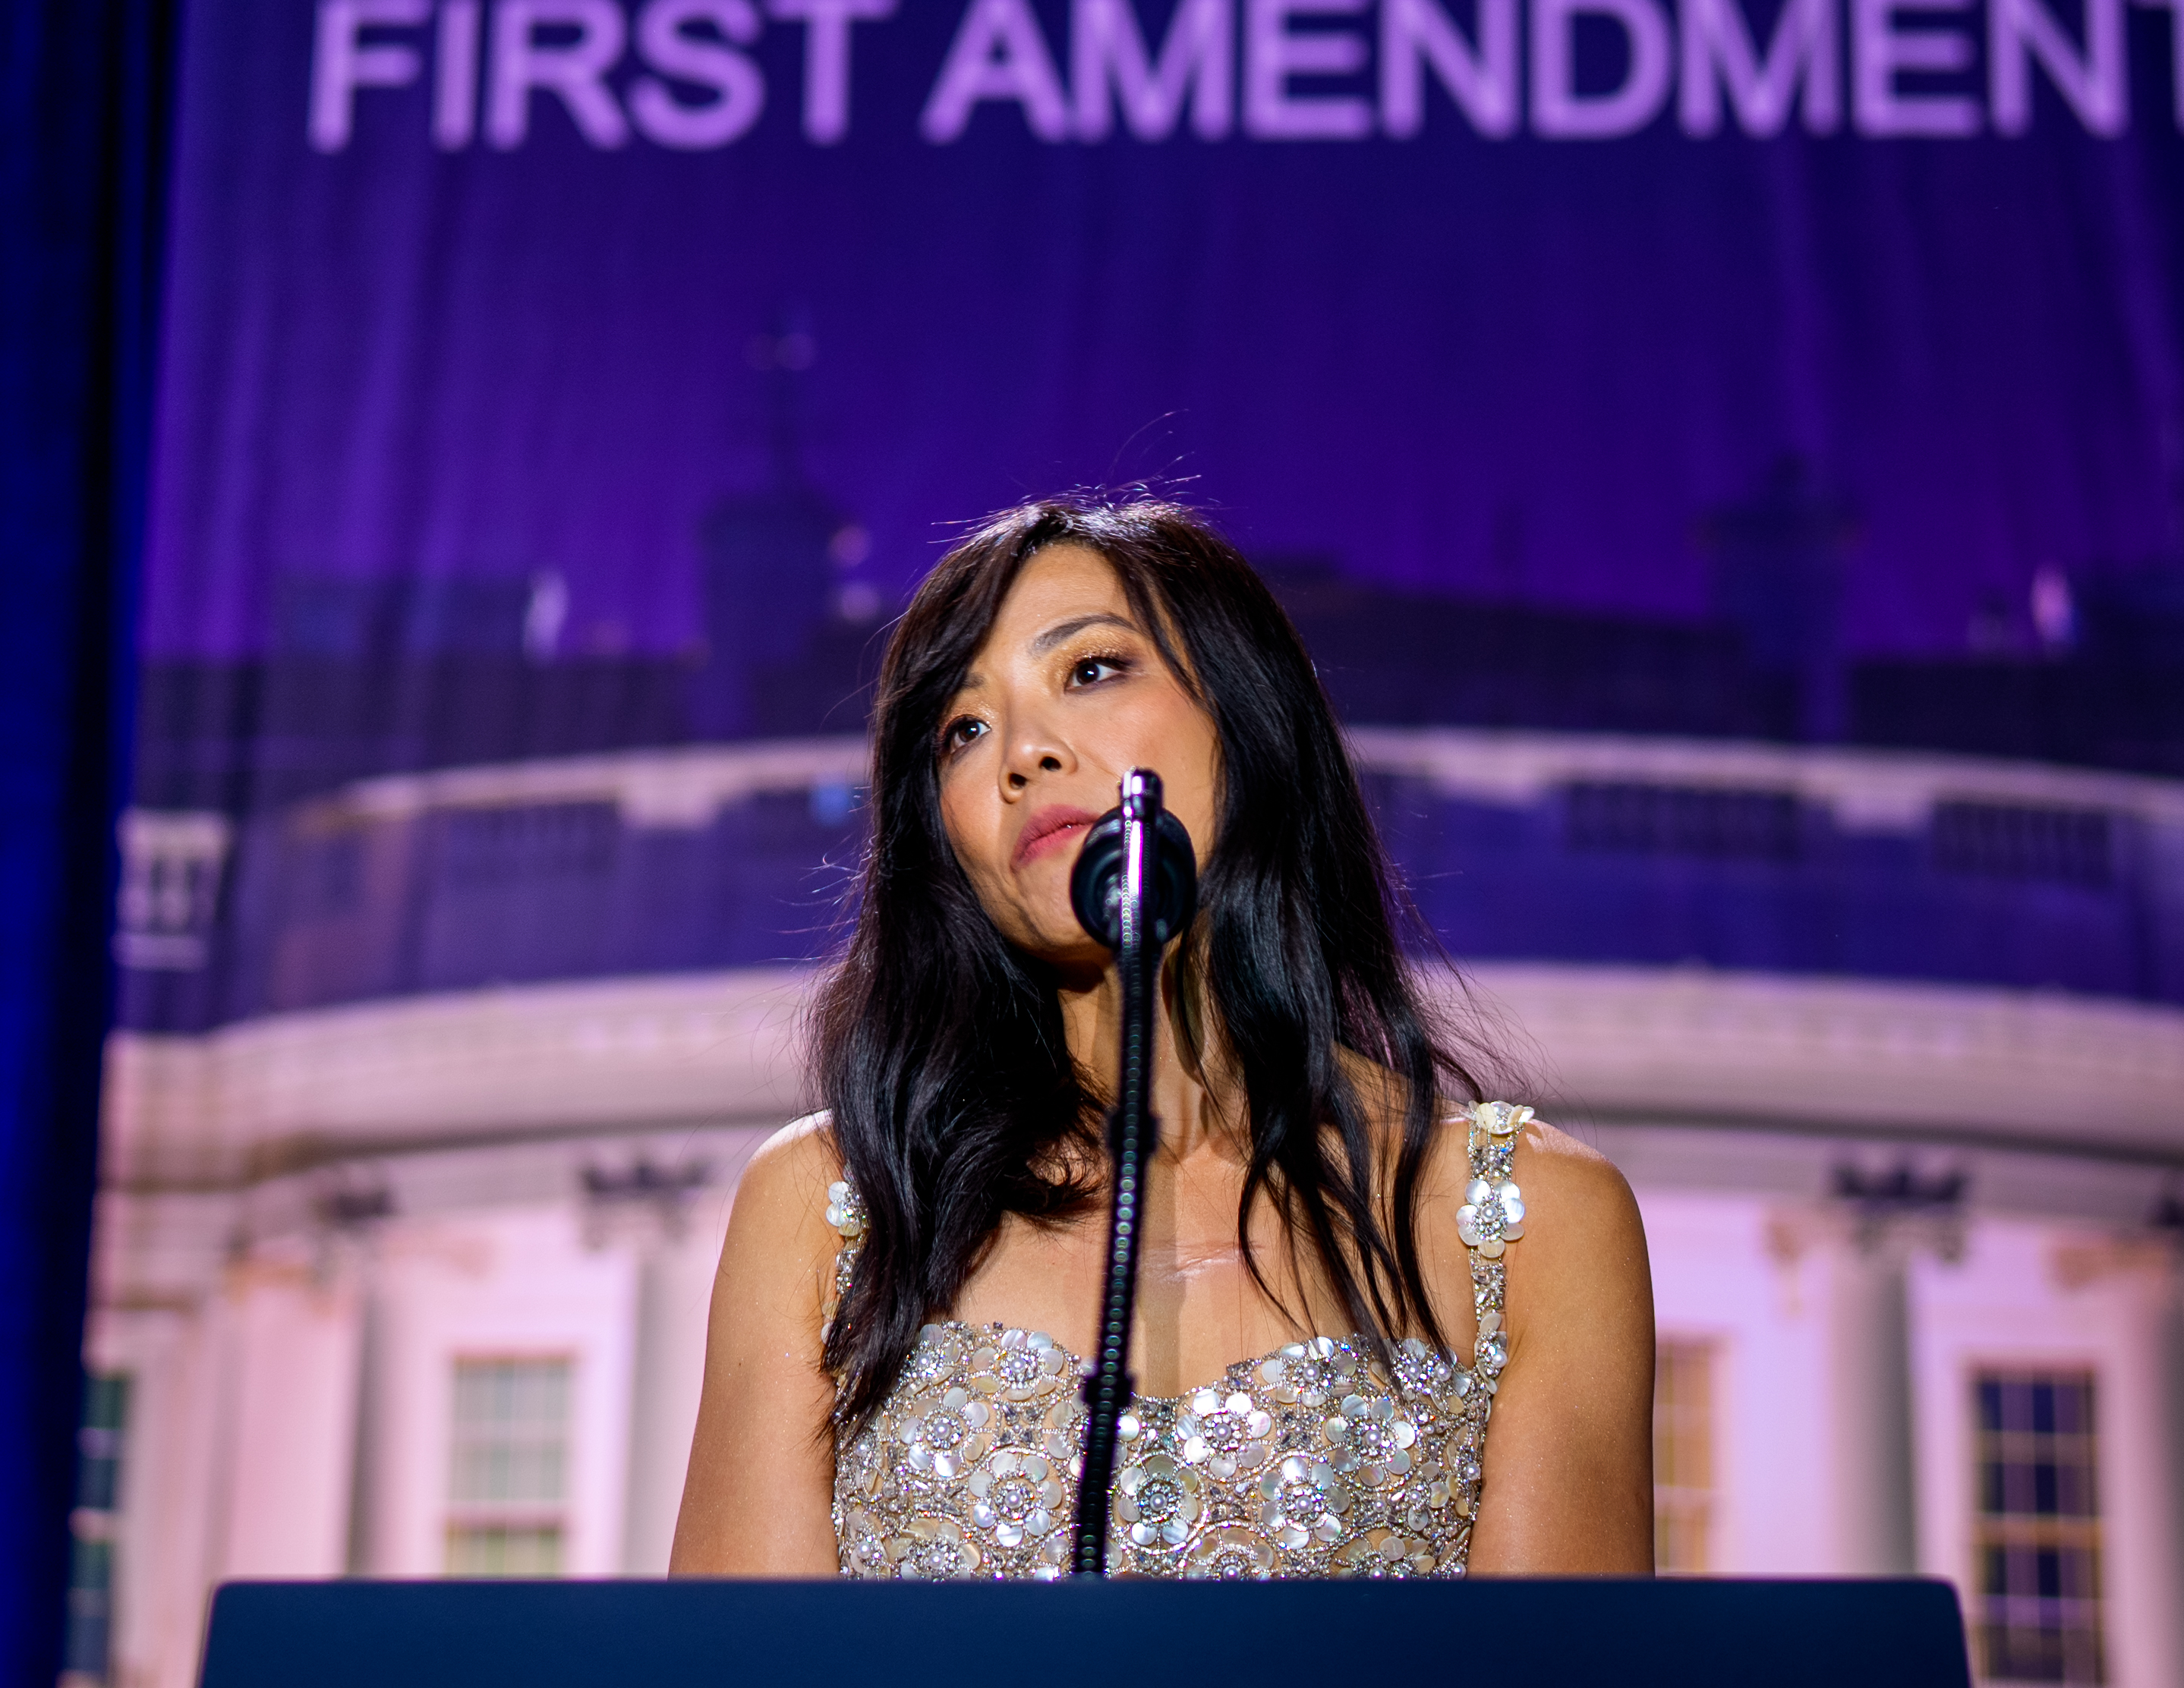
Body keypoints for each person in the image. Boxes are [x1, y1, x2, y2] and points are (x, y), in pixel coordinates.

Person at [673, 497, 1656, 1577]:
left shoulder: (1526, 1225)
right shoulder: (835, 1207)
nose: (1025, 753)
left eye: (1090, 670)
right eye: (964, 729)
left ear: (1246, 713)